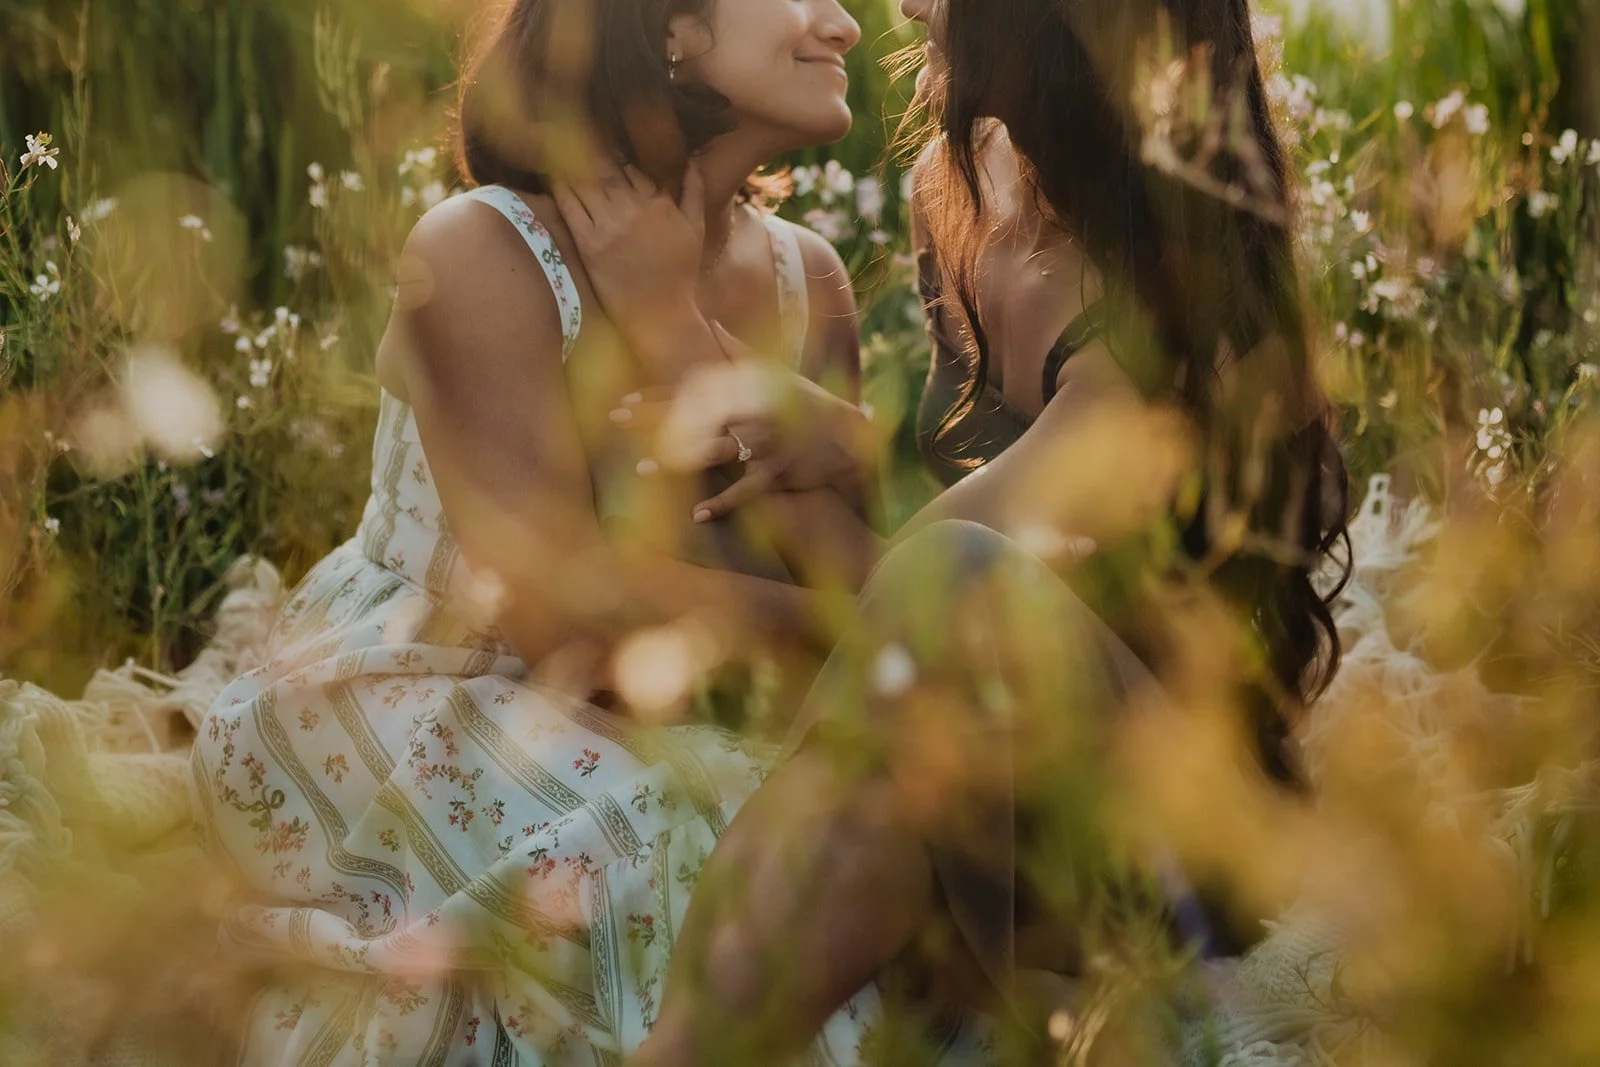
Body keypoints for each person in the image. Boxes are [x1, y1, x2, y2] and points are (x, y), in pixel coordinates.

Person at [189, 1, 993, 1063]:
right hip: (443, 687)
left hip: (693, 700)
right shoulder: (485, 247)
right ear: (665, 28)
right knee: (688, 854)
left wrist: (709, 359)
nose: (843, 25)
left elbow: (820, 608)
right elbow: (561, 617)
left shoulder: (810, 280)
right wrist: (871, 623)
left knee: (885, 848)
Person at [555, 0, 1353, 1061]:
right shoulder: (969, 182)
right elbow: (920, 600)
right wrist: (845, 439)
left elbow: (931, 596)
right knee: (876, 819)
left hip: (1164, 830)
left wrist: (679, 342)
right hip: (989, 757)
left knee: (947, 587)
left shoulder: (1178, 311)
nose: (907, 4)